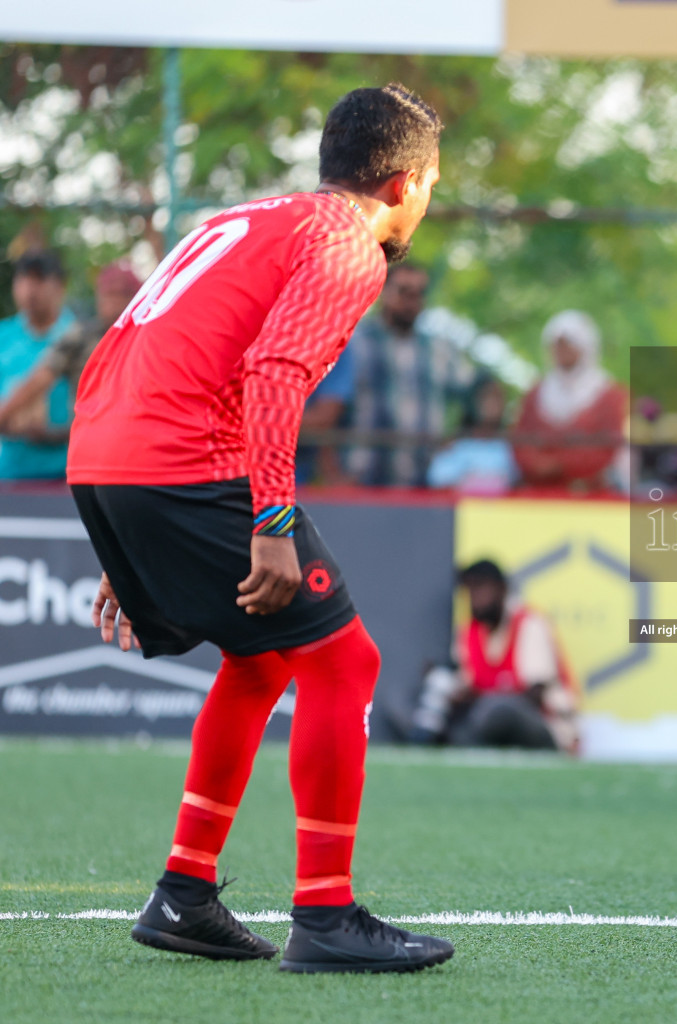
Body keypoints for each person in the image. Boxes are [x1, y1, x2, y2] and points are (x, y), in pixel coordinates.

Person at [65, 84, 455, 971]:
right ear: (404, 182)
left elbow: (128, 341)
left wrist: (121, 526)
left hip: (107, 450)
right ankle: (325, 916)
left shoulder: (243, 220)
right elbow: (277, 377)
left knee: (262, 656)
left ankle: (185, 892)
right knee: (346, 660)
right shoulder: (349, 244)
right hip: (183, 458)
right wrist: (271, 520)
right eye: (433, 185)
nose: (427, 202)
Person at [332, 262, 478, 487]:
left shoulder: (439, 350)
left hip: (426, 479)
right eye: (404, 292)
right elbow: (328, 407)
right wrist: (333, 474)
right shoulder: (353, 343)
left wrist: (458, 440)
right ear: (383, 292)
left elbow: (480, 392)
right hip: (363, 475)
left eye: (420, 293)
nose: (412, 301)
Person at [408, 560, 579, 752]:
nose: (474, 598)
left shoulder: (528, 625)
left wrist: (477, 700)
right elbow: (468, 687)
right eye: (470, 590)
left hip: (545, 730)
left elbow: (534, 696)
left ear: (502, 589)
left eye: (481, 588)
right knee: (420, 699)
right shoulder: (468, 633)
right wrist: (449, 691)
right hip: (489, 729)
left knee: (499, 710)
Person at [0, 260, 142, 444]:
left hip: (135, 440)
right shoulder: (82, 335)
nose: (113, 302)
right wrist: (4, 414)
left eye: (122, 294)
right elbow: (40, 379)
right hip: (91, 443)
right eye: (108, 294)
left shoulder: (147, 338)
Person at [512, 310, 627, 491]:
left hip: (589, 495)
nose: (561, 351)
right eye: (556, 345)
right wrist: (538, 465)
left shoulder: (608, 394)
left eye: (567, 344)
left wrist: (561, 464)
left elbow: (606, 448)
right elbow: (520, 441)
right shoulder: (536, 394)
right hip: (539, 494)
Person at [0, 249, 77, 479]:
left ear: (60, 286)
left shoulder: (78, 338)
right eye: (23, 279)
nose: (30, 290)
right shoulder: (4, 336)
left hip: (65, 475)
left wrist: (53, 435)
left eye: (39, 280)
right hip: (11, 474)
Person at [427, 377, 516, 493]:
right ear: (473, 401)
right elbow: (437, 477)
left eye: (498, 398)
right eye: (487, 397)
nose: (494, 405)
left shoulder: (509, 444)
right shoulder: (457, 444)